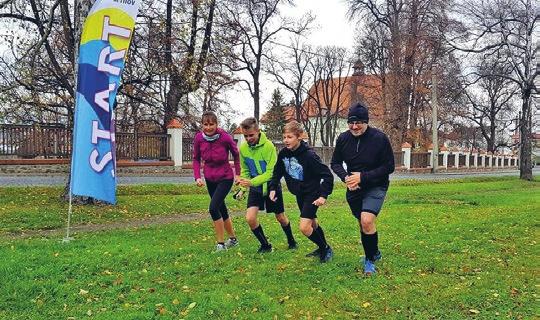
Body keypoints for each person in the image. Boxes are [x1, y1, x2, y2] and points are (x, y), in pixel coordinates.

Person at [330, 102, 395, 275]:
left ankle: (369, 260)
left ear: (366, 121)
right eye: (351, 122)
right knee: (362, 223)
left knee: (367, 220)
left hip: (376, 185)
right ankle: (374, 252)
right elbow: (335, 163)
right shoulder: (343, 139)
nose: (354, 126)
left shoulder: (379, 138)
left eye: (358, 122)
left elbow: (389, 166)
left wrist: (363, 176)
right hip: (354, 188)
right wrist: (346, 178)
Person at [269, 121, 334, 263]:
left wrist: (323, 195)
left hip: (312, 193)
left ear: (299, 137)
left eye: (290, 137)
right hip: (299, 194)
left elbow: (327, 175)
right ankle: (322, 247)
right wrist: (273, 188)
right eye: (284, 137)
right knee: (313, 223)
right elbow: (277, 172)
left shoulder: (310, 156)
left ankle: (325, 248)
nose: (286, 140)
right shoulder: (284, 154)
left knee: (305, 227)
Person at [236, 117, 297, 253]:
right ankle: (265, 245)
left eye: (251, 135)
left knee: (280, 217)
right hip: (255, 188)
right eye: (245, 136)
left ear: (258, 131)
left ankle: (291, 240)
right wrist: (242, 189)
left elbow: (271, 172)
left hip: (271, 187)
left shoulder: (269, 146)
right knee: (250, 218)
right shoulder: (243, 149)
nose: (248, 138)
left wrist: (252, 182)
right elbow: (245, 171)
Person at [193, 111, 240, 252]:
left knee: (213, 208)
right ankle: (233, 239)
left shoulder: (225, 137)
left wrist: (238, 174)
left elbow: (236, 155)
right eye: (205, 124)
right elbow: (196, 159)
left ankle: (221, 244)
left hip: (225, 177)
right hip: (209, 177)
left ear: (216, 124)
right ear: (202, 125)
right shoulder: (199, 138)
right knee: (221, 208)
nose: (208, 128)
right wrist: (197, 177)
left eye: (211, 124)